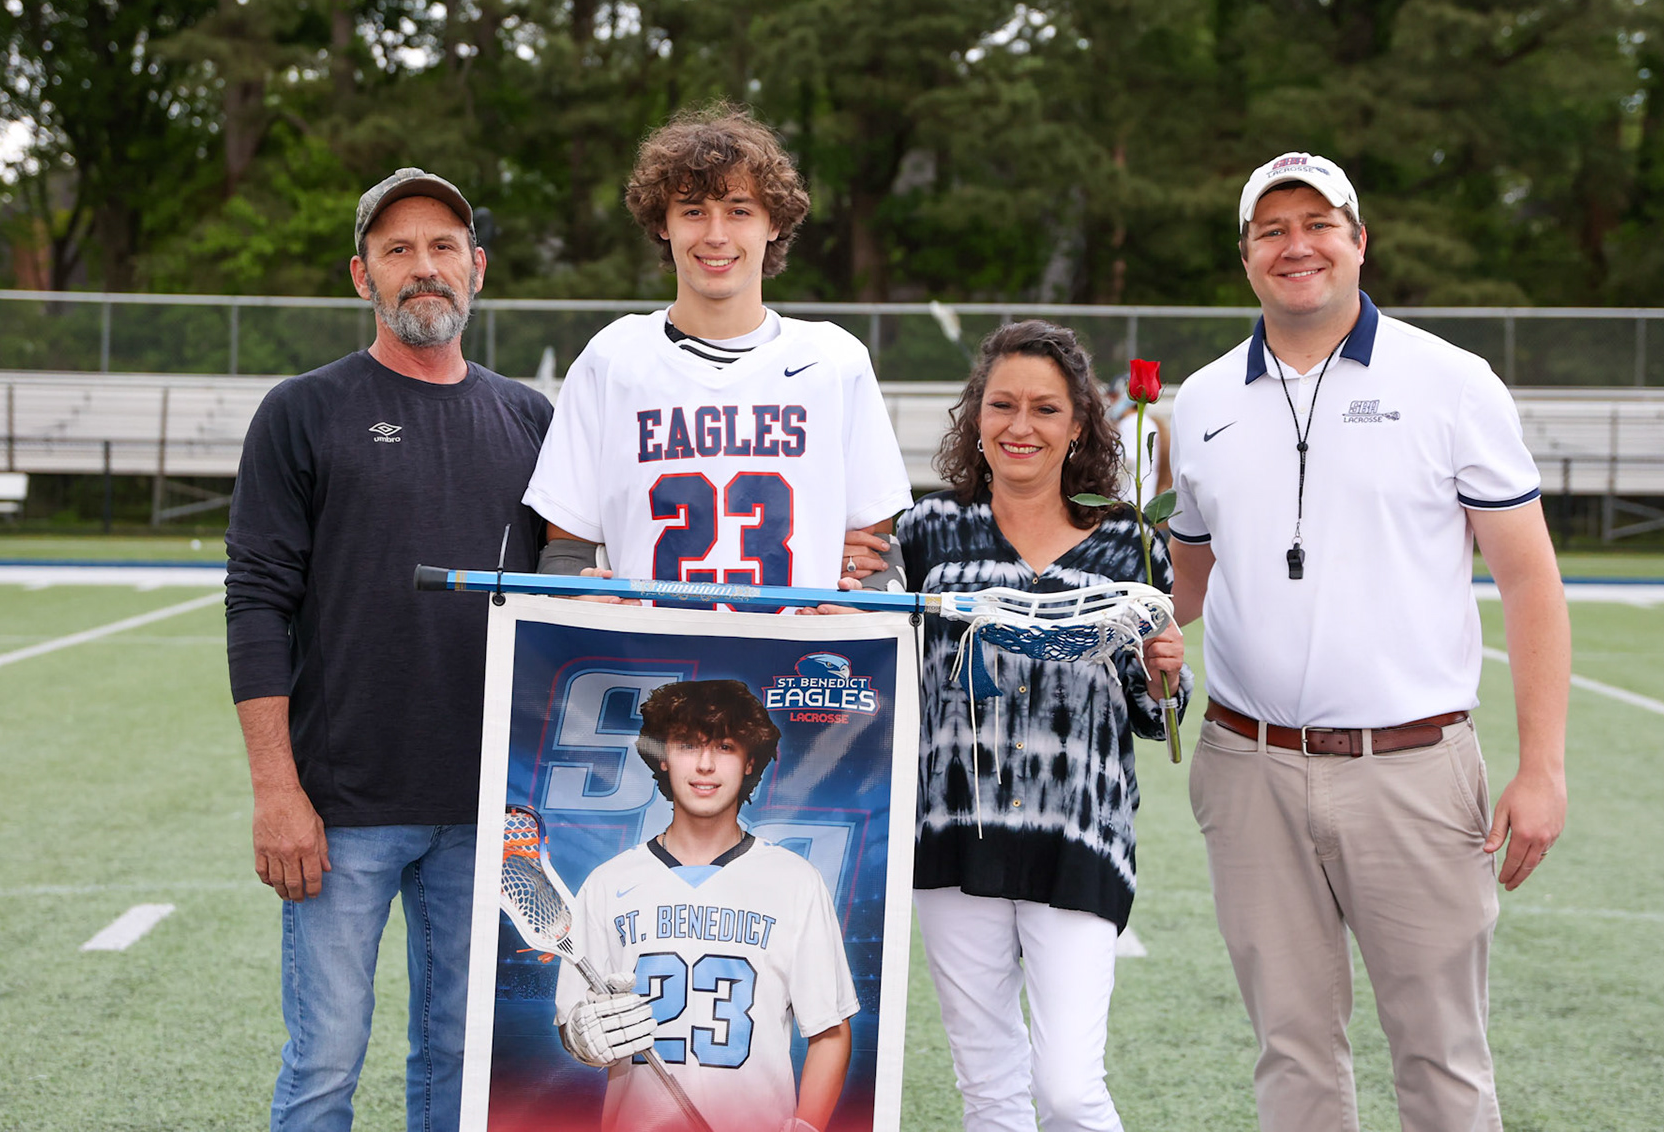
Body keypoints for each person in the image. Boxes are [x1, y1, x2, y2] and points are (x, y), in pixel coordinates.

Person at [1167, 152, 1570, 1131]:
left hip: (1413, 767)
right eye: (1272, 229)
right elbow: (1184, 575)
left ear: (1358, 240)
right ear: (1246, 253)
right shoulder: (1203, 398)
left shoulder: (1452, 381)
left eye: (1318, 223)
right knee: (1292, 1054)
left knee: (1440, 1058)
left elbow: (1529, 577)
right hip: (1248, 763)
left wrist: (1543, 768)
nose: (1295, 245)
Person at [225, 168, 553, 1131]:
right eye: (398, 250)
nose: (424, 268)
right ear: (359, 274)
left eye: (443, 247)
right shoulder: (303, 411)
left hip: (486, 806)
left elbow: (573, 598)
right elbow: (255, 605)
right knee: (324, 1063)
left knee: (459, 1060)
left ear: (477, 270)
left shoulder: (532, 419)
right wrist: (277, 793)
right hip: (343, 805)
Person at [894, 320, 1190, 1132]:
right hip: (954, 827)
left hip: (1078, 830)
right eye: (1001, 405)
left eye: (1045, 409)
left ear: (1079, 427)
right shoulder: (923, 534)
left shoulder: (1130, 546)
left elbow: (1153, 710)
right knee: (989, 1091)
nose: (1020, 426)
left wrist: (1167, 672)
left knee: (1066, 1088)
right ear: (975, 418)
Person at [522, 104, 911, 600]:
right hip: (649, 661)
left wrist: (863, 598)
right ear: (662, 223)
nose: (715, 235)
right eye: (693, 211)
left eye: (739, 210)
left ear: (774, 224)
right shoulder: (612, 359)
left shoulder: (835, 361)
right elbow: (567, 551)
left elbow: (875, 555)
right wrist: (581, 596)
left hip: (790, 665)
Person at [555, 679, 858, 1132]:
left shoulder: (795, 881)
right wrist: (582, 1036)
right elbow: (571, 1020)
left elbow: (830, 1031)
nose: (704, 765)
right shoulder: (608, 883)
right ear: (662, 755)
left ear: (750, 759)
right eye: (686, 745)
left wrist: (807, 1126)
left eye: (724, 746)